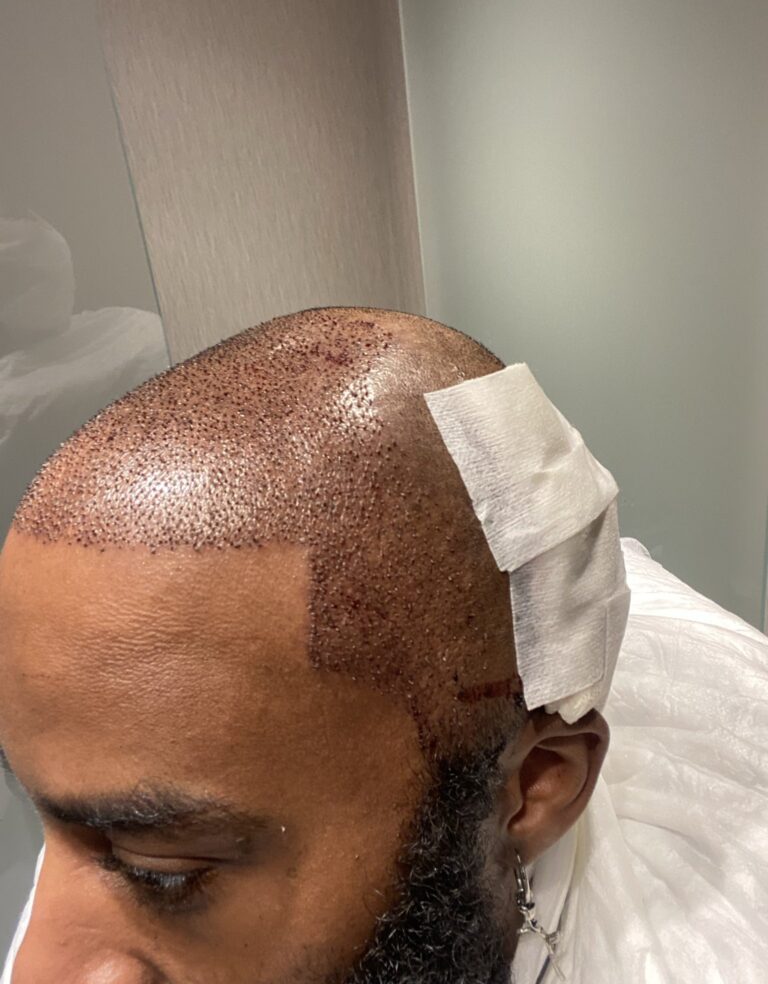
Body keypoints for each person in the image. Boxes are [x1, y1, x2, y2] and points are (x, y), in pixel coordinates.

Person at [1, 308, 766, 983]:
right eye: (41, 813)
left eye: (163, 876)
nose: (32, 966)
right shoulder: (141, 789)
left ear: (534, 786)